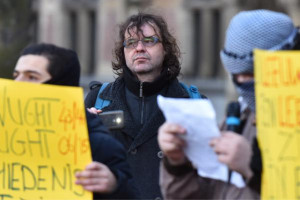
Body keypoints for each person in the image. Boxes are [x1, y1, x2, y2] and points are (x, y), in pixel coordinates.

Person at [158, 9, 300, 199]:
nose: (241, 82)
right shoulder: (240, 116)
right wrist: (178, 163)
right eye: (235, 74)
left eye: (251, 73)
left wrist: (254, 170)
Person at [84, 12, 204, 199]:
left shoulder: (191, 103)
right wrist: (84, 132)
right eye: (131, 43)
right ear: (123, 52)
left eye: (149, 40)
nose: (139, 48)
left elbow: (207, 175)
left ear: (165, 49)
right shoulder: (98, 98)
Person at [13, 43, 139, 199]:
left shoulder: (99, 144)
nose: (17, 83)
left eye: (32, 77)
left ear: (59, 85)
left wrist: (115, 185)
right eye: (16, 75)